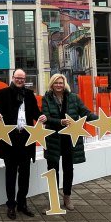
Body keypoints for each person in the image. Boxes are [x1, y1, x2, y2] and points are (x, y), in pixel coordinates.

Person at [0, 69, 47, 220]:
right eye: (17, 78)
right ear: (12, 77)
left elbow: (34, 112)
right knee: (10, 174)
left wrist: (40, 116)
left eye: (22, 78)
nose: (20, 80)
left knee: (25, 175)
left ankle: (22, 204)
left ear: (25, 79)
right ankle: (11, 206)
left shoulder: (29, 94)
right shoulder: (2, 93)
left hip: (26, 140)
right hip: (9, 140)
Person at [42, 74, 98, 211]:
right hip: (53, 139)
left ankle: (67, 198)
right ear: (52, 84)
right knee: (52, 170)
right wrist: (60, 122)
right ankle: (54, 200)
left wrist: (100, 120)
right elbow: (45, 117)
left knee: (68, 169)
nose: (59, 85)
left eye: (61, 83)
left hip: (69, 138)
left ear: (64, 83)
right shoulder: (46, 98)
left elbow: (85, 112)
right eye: (56, 83)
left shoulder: (73, 98)